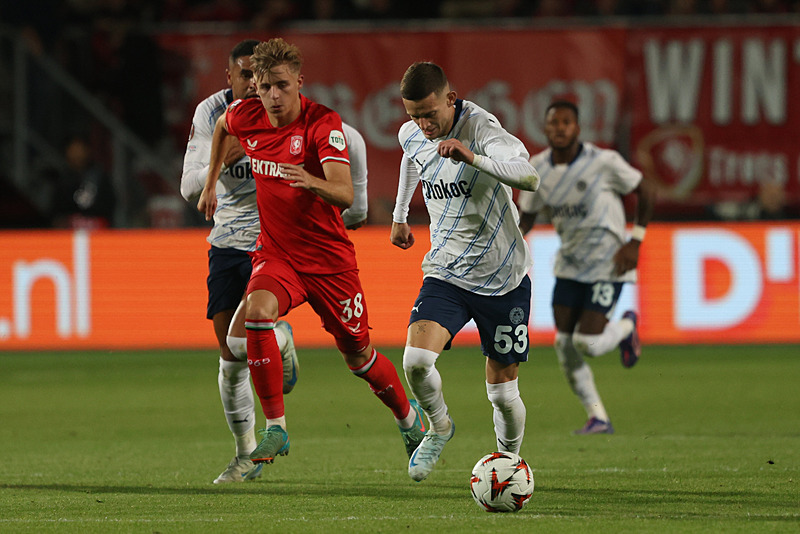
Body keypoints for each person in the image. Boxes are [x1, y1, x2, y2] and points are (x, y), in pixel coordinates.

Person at [197, 38, 426, 468]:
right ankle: (277, 429)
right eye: (264, 86)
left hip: (328, 262)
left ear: (299, 82)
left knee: (359, 357)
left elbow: (341, 192)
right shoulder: (247, 114)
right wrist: (211, 183)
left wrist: (310, 180)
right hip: (278, 255)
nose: (273, 96)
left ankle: (408, 417)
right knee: (258, 314)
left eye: (282, 85)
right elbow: (224, 126)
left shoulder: (324, 124)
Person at [391, 61, 540, 482]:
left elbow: (529, 177)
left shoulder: (483, 130)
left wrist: (472, 157)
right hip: (448, 272)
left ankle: (507, 463)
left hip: (503, 277)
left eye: (430, 113)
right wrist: (401, 215)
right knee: (416, 362)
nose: (422, 124)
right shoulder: (414, 133)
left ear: (451, 99)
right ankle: (439, 428)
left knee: (503, 393)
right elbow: (410, 157)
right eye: (413, 115)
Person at [181, 39, 299, 484]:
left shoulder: (282, 105)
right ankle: (245, 452)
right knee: (231, 357)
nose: (255, 84)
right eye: (245, 76)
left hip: (273, 240)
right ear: (228, 79)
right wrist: (221, 162)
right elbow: (188, 187)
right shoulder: (211, 115)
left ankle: (256, 448)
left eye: (261, 76)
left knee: (247, 335)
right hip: (227, 240)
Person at [517, 100, 656, 435]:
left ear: (577, 128)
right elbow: (529, 217)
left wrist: (635, 240)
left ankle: (626, 327)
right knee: (564, 345)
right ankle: (598, 417)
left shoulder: (603, 162)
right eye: (554, 123)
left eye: (567, 122)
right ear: (545, 128)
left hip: (610, 263)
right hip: (570, 265)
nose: (560, 128)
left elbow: (645, 189)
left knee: (588, 344)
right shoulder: (537, 169)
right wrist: (510, 243)